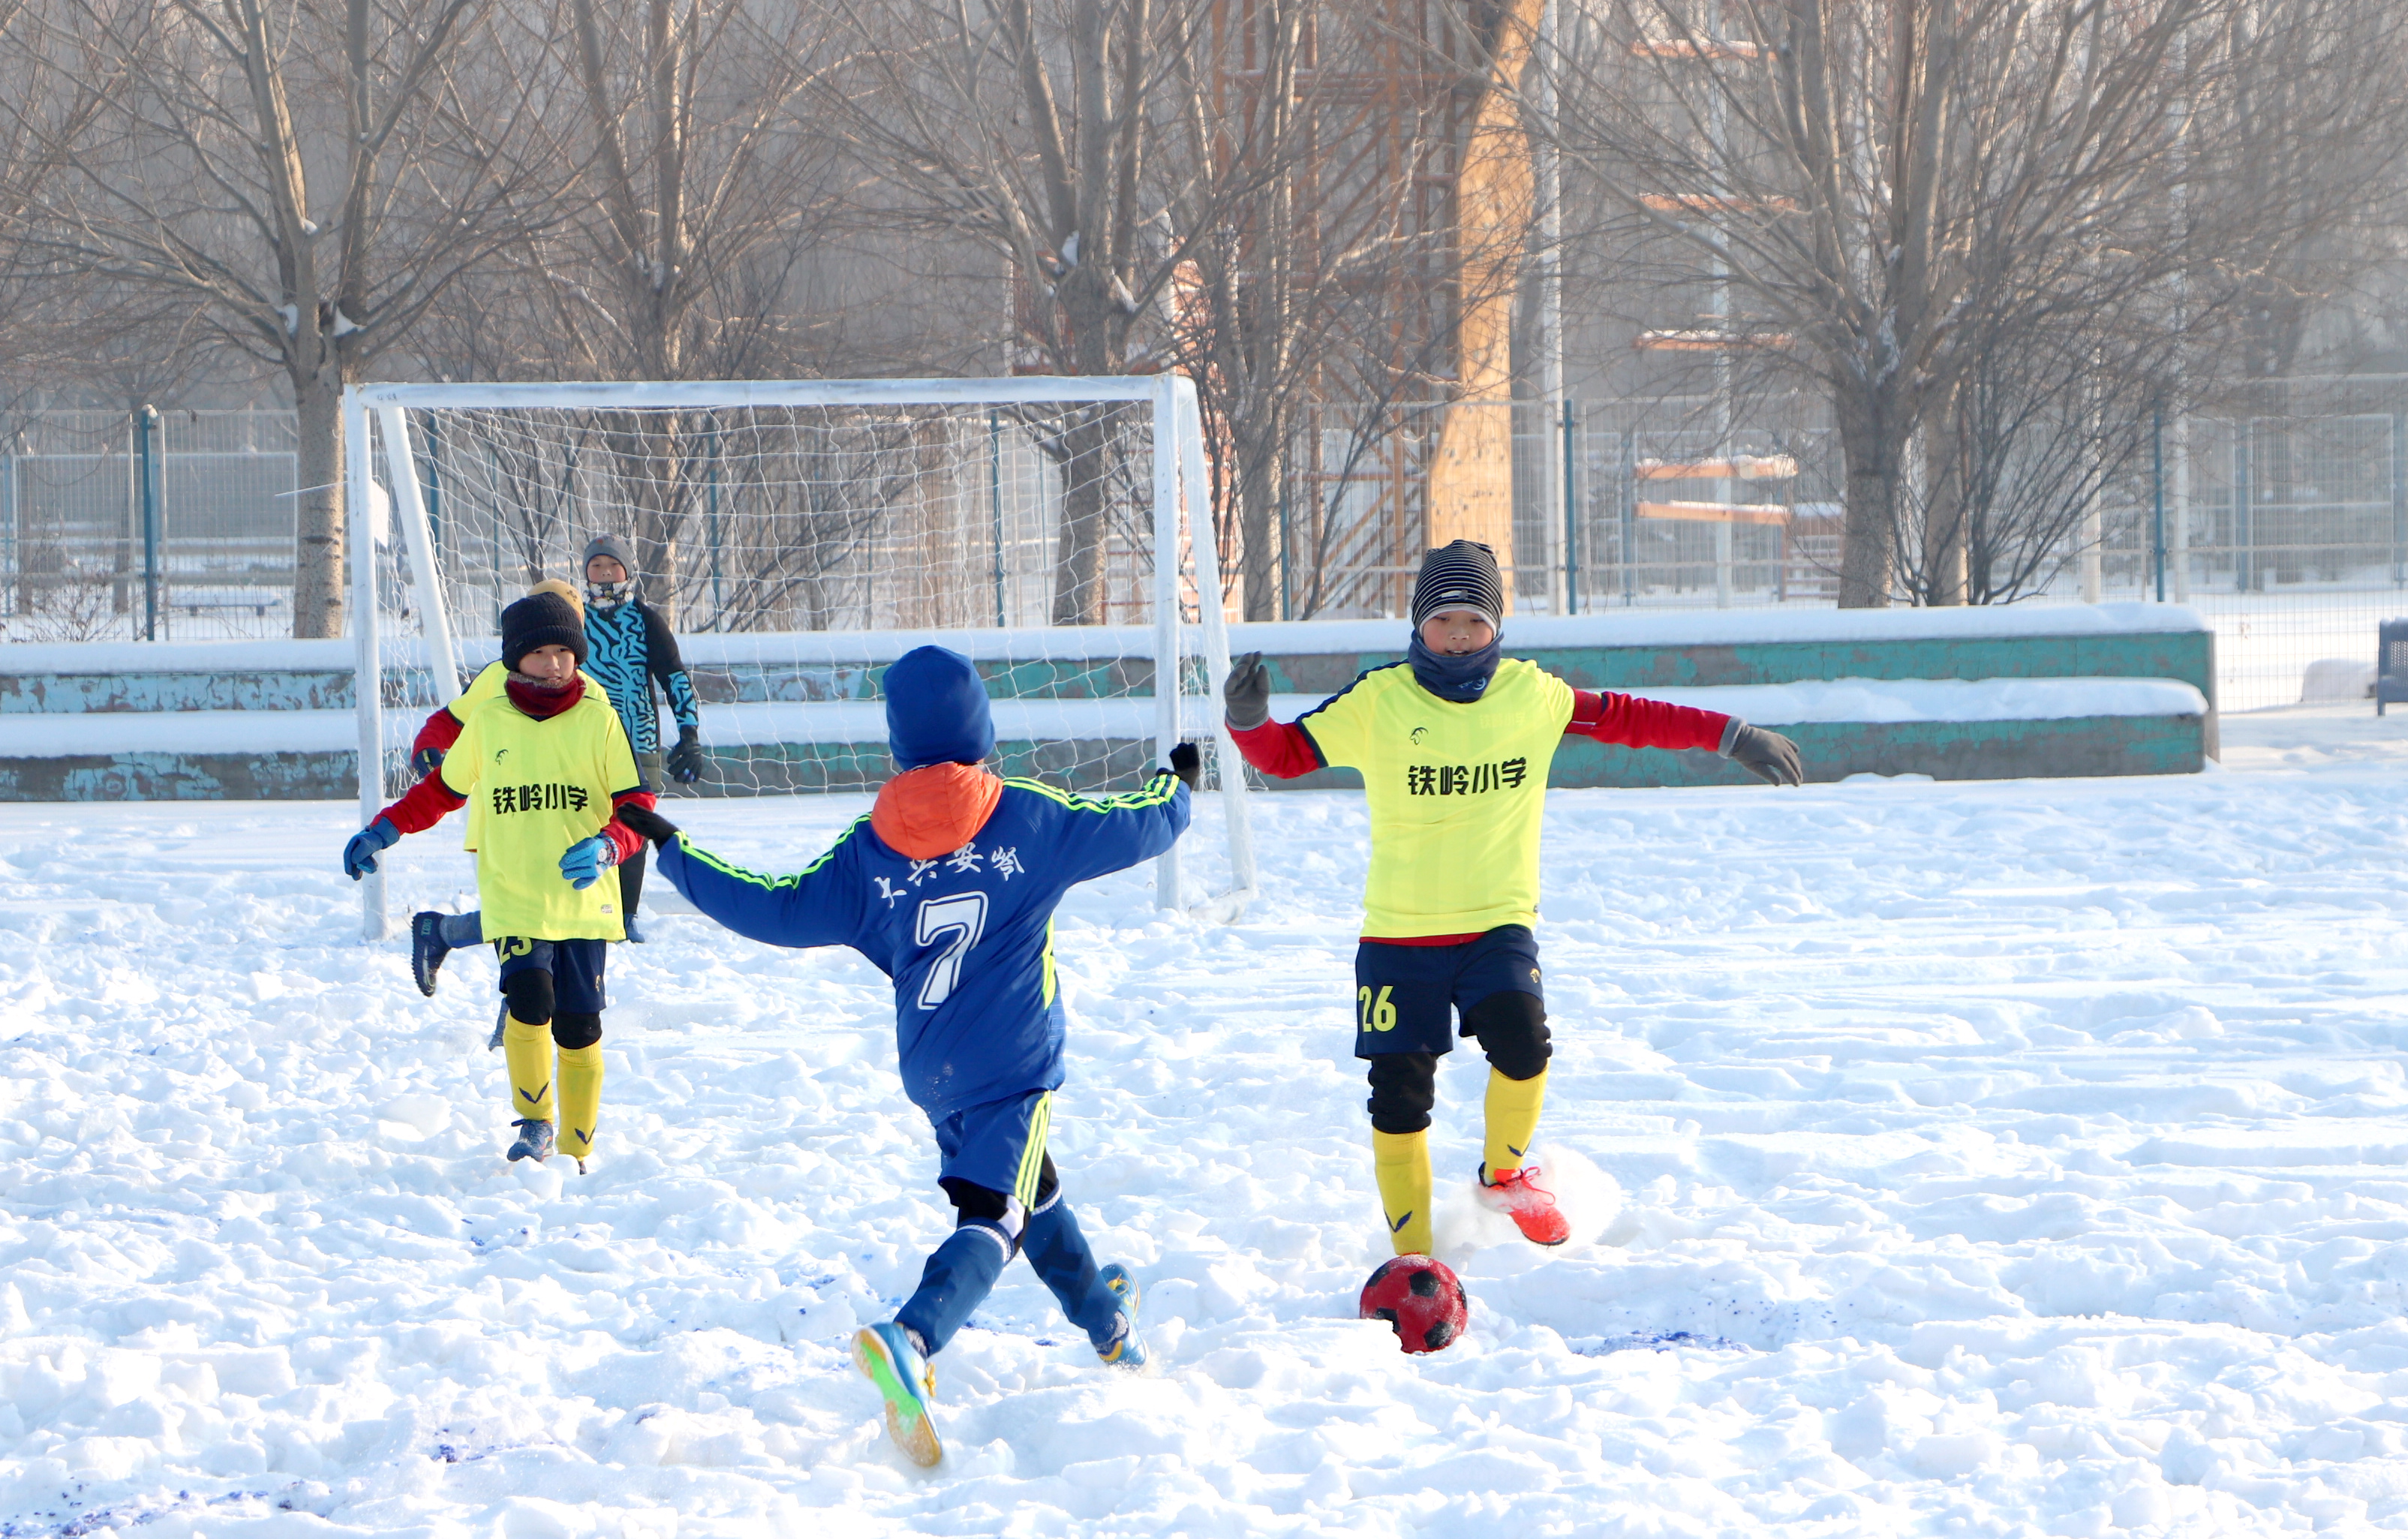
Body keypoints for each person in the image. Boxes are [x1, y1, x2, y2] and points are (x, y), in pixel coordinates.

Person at [614, 645, 1190, 1467]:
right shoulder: (1028, 816)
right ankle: (912, 1337)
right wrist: (1178, 781)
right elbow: (1147, 824)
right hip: (1012, 1065)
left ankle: (1106, 1321)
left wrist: (672, 849)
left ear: (895, 746)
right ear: (983, 732)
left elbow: (770, 909)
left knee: (1035, 1193)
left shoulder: (866, 849)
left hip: (932, 1069)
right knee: (994, 1214)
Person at [1221, 539, 1803, 1258]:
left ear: (1497, 626)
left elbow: (1628, 717)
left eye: (1474, 619)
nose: (1458, 633)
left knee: (1524, 1044)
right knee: (1401, 1101)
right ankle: (1413, 1258)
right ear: (1416, 625)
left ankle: (1505, 1175)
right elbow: (1283, 755)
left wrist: (1729, 735)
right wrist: (1247, 720)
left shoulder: (1533, 696)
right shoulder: (1379, 700)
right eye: (1443, 619)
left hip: (1496, 924)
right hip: (1399, 937)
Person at [344, 589, 655, 1171]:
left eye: (564, 650)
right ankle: (536, 1124)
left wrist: (610, 845)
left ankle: (577, 1149)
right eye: (540, 651)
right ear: (515, 657)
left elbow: (637, 802)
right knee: (527, 999)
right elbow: (440, 790)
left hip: (581, 901)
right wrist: (385, 830)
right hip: (513, 892)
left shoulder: (598, 714)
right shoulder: (488, 719)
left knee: (579, 1026)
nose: (555, 662)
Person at [576, 534, 704, 941]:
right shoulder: (575, 618)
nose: (605, 573)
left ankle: (625, 913)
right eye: (596, 566)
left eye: (612, 566)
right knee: (584, 820)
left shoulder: (645, 619)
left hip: (638, 740)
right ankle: (587, 907)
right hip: (583, 739)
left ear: (628, 571)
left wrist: (690, 734)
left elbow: (674, 675)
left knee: (631, 822)